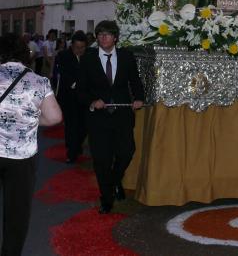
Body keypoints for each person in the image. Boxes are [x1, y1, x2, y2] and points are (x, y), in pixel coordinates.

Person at [0, 33, 62, 255]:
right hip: (21, 158)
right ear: (24, 54)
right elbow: (54, 117)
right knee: (16, 212)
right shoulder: (38, 81)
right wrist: (33, 123)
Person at [77, 21, 144, 214]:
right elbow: (80, 91)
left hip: (122, 115)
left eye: (107, 34)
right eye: (100, 35)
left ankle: (114, 182)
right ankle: (106, 199)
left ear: (115, 38)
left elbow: (135, 82)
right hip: (98, 118)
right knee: (102, 160)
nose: (103, 38)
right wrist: (92, 100)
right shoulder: (88, 59)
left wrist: (139, 98)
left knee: (126, 152)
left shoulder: (126, 57)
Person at [56, 31, 88, 163]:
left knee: (84, 126)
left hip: (85, 98)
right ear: (72, 45)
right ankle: (71, 152)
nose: (79, 50)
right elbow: (65, 74)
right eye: (77, 47)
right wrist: (79, 83)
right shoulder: (63, 56)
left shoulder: (90, 55)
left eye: (82, 47)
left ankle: (77, 145)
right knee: (71, 126)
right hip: (69, 97)